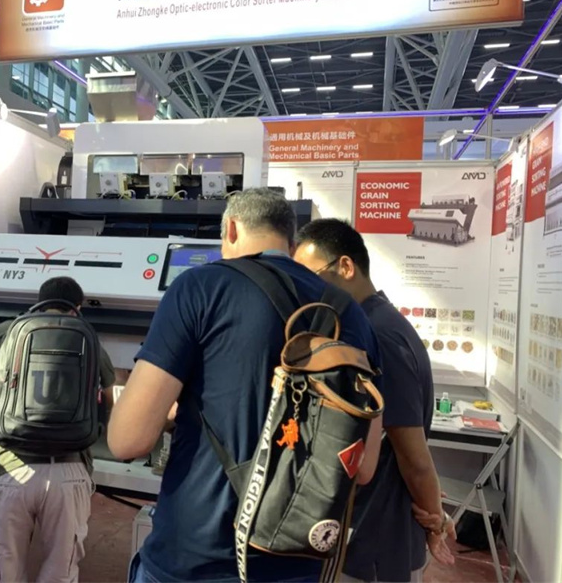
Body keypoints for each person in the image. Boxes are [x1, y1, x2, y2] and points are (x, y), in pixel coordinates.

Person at [108, 189, 383, 583]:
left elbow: (126, 440)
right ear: (291, 244)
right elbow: (364, 466)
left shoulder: (200, 287)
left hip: (194, 557)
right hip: (296, 560)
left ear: (232, 229)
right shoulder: (350, 314)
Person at [293, 218, 456, 583]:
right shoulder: (376, 321)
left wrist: (436, 519)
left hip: (377, 540)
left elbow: (412, 454)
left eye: (312, 277)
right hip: (372, 529)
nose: (308, 291)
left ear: (345, 267)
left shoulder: (377, 334)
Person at [0, 276, 117, 583]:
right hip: (68, 471)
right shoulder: (89, 340)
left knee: (7, 572)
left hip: (7, 468)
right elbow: (110, 407)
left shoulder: (2, 334)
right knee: (61, 573)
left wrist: (10, 428)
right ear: (78, 307)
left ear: (39, 302)